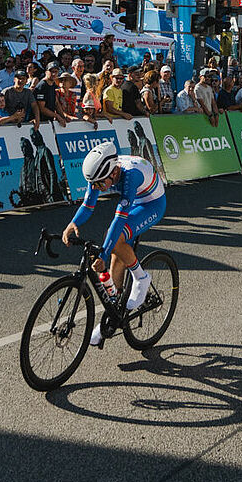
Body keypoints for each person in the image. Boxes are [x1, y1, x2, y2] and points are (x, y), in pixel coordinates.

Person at [63, 140, 167, 346]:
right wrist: (72, 223)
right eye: (93, 184)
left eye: (100, 184)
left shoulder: (129, 176)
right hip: (136, 200)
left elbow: (119, 220)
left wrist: (101, 254)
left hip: (151, 203)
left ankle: (141, 278)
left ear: (113, 173)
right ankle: (114, 313)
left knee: (115, 239)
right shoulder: (101, 175)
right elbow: (88, 204)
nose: (96, 188)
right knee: (114, 254)